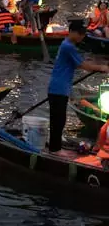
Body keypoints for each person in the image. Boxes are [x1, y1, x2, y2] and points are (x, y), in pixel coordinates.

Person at [46, 21, 109, 153]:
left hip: (59, 87)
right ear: (72, 32)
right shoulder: (68, 47)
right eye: (80, 34)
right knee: (58, 120)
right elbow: (83, 65)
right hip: (59, 88)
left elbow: (80, 63)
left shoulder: (67, 45)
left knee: (58, 119)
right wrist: (101, 67)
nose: (81, 37)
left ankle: (55, 146)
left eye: (83, 34)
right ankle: (55, 149)